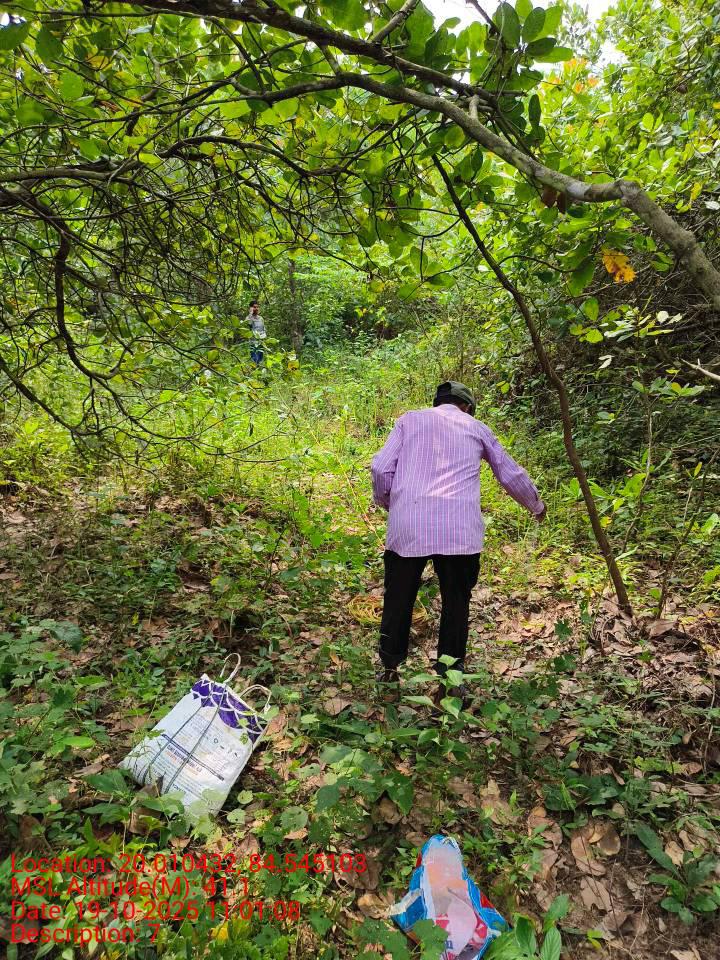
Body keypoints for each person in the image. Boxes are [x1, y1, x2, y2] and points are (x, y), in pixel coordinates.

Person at [371, 381, 546, 706]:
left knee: (398, 598)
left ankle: (389, 672)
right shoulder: (476, 427)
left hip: (409, 524)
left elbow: (381, 468)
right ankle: (450, 685)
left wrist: (389, 503)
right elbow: (509, 473)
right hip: (459, 532)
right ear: (466, 407)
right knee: (456, 604)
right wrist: (536, 505)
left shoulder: (409, 420)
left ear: (438, 403)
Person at [246, 300, 267, 365]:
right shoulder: (248, 318)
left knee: (260, 359)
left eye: (257, 307)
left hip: (260, 342)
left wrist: (264, 339)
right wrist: (250, 313)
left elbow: (263, 329)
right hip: (253, 343)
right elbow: (249, 324)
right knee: (255, 360)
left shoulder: (261, 318)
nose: (256, 309)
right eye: (254, 307)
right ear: (251, 308)